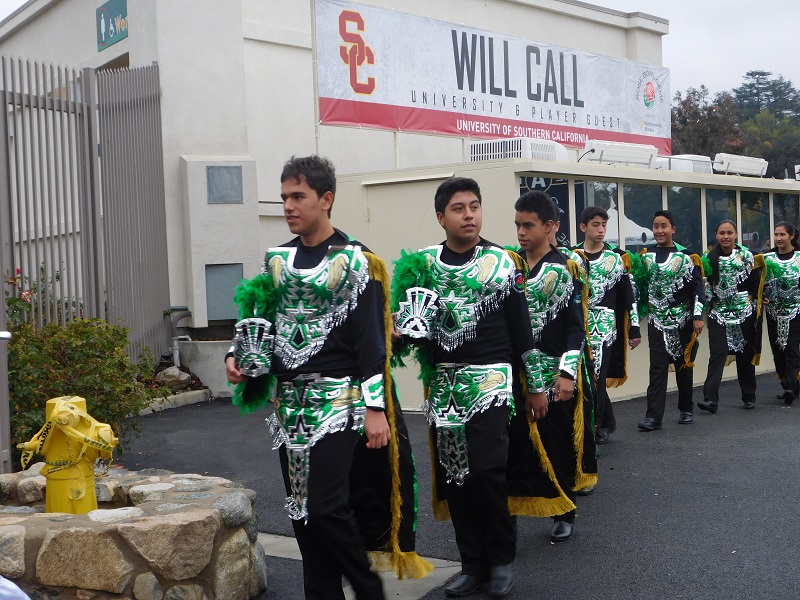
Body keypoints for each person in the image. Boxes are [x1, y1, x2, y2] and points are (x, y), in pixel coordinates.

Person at [225, 155, 430, 600]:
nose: (288, 206)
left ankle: (367, 588)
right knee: (303, 518)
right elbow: (257, 317)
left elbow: (373, 343)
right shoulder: (277, 260)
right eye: (284, 197)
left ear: (326, 199)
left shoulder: (359, 262)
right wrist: (236, 356)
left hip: (341, 400)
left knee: (327, 506)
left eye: (298, 196)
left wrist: (377, 408)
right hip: (290, 407)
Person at [391, 177, 553, 598]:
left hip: (492, 380)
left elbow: (522, 328)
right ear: (441, 216)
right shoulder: (424, 263)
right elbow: (414, 325)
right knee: (456, 476)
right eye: (459, 208)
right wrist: (395, 334)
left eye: (475, 206)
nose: (469, 214)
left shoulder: (502, 262)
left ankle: (500, 560)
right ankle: (471, 563)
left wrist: (536, 386)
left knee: (486, 470)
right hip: (443, 385)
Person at [513, 190, 598, 543]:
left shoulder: (566, 268)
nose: (521, 232)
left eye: (528, 225)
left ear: (548, 226)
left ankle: (566, 511)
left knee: (559, 443)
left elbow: (577, 327)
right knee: (518, 446)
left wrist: (566, 374)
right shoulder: (509, 266)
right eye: (517, 225)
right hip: (519, 375)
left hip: (555, 373)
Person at [630, 210, 706, 431]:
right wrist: (634, 321)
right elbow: (638, 290)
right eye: (655, 226)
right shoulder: (645, 256)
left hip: (683, 320)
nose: (659, 230)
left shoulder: (687, 257)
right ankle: (654, 417)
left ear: (673, 228)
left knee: (684, 365)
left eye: (664, 226)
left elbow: (698, 290)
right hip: (656, 321)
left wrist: (697, 317)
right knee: (657, 368)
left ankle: (686, 408)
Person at [574, 206, 641, 443]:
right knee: (583, 378)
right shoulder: (571, 258)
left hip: (604, 328)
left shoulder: (615, 259)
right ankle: (607, 421)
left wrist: (634, 328)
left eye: (604, 225)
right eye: (595, 224)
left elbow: (628, 296)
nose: (601, 229)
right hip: (576, 326)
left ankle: (596, 426)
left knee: (597, 375)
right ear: (583, 227)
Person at [697, 220, 764, 413]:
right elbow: (704, 286)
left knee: (745, 354)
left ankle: (749, 396)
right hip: (718, 313)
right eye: (722, 233)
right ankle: (710, 399)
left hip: (744, 311)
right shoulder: (708, 258)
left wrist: (761, 299)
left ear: (736, 234)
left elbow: (756, 283)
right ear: (716, 235)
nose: (725, 236)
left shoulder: (746, 256)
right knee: (717, 354)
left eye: (729, 232)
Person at [760, 221, 800, 405]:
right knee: (778, 348)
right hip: (774, 311)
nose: (779, 238)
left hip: (796, 311)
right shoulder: (766, 259)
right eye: (776, 235)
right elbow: (757, 283)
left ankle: (789, 387)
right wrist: (761, 296)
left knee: (791, 347)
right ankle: (792, 383)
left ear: (791, 236)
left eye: (782, 235)